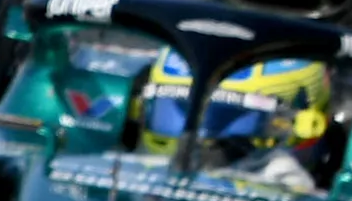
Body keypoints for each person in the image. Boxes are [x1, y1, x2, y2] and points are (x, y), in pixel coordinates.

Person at [131, 50, 335, 190]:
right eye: (179, 110)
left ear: (304, 124)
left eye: (230, 116)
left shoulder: (288, 185)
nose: (201, 139)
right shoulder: (126, 172)